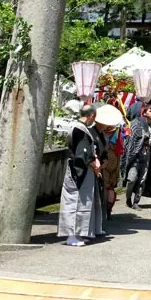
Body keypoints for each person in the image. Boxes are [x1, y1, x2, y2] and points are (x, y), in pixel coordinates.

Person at [59, 104, 104, 246]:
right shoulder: (79, 129)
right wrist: (93, 162)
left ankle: (79, 233)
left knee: (83, 202)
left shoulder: (81, 128)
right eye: (93, 118)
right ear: (91, 116)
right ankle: (72, 235)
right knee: (75, 202)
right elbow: (82, 153)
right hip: (78, 171)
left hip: (83, 171)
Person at [124, 104, 151, 209]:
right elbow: (130, 140)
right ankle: (128, 197)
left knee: (142, 180)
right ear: (144, 112)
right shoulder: (134, 124)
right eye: (150, 111)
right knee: (131, 179)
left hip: (146, 157)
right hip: (135, 157)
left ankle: (136, 202)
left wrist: (150, 140)